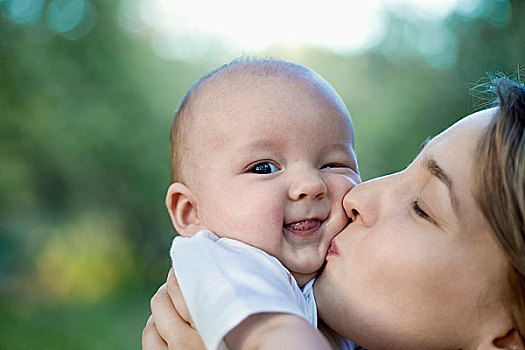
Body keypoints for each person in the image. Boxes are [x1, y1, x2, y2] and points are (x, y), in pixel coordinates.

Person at [143, 75, 525, 349]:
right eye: (263, 168)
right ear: (190, 212)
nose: (357, 195)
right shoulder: (228, 260)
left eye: (421, 208)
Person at [163, 58, 360, 349]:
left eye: (331, 164)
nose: (311, 185)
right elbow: (274, 334)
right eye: (264, 168)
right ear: (191, 212)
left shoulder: (347, 263)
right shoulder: (221, 258)